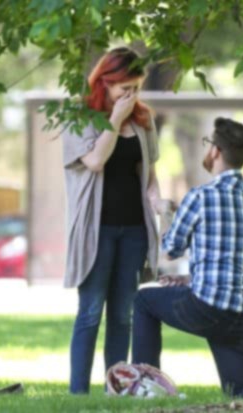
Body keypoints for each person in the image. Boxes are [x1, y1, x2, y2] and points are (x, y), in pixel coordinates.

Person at [131, 117, 243, 399]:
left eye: (209, 143)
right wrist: (191, 278)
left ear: (216, 151)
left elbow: (169, 251)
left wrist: (164, 212)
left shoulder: (201, 196)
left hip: (211, 308)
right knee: (238, 391)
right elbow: (240, 257)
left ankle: (146, 386)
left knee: (144, 301)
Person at [61, 47, 165, 394]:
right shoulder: (81, 118)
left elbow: (147, 172)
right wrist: (115, 119)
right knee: (90, 312)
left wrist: (158, 203)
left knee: (123, 315)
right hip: (96, 230)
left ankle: (115, 387)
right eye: (125, 89)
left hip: (133, 229)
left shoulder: (143, 120)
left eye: (136, 88)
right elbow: (94, 161)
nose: (131, 96)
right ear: (106, 83)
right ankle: (78, 392)